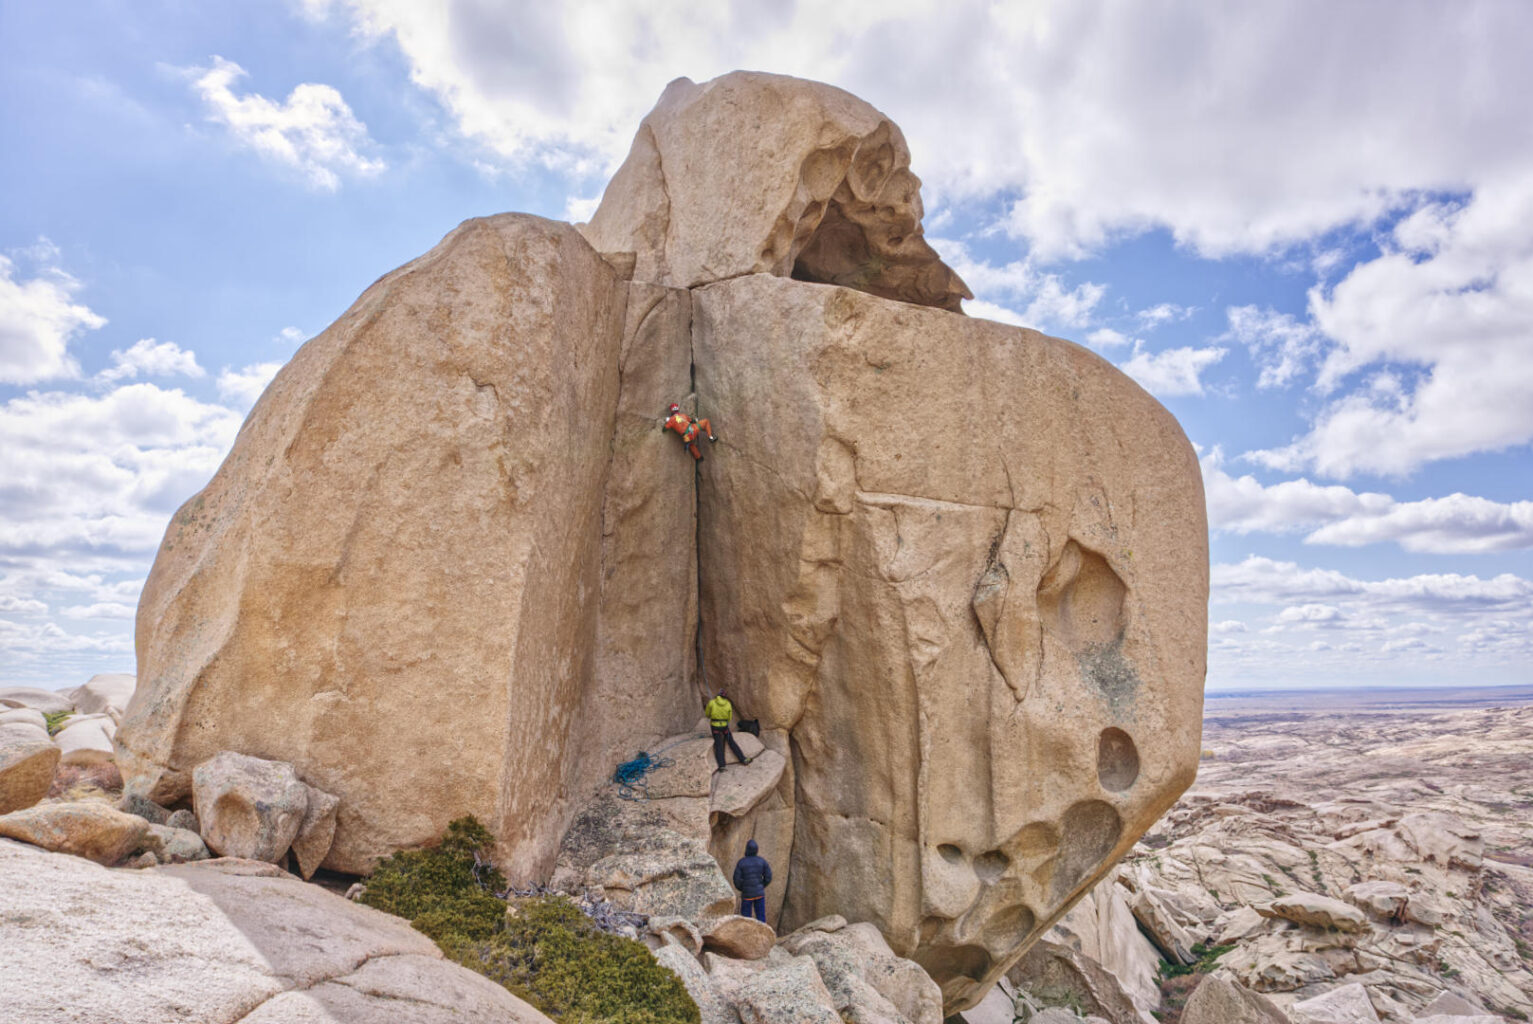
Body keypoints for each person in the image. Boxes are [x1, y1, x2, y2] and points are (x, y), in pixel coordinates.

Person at [705, 689, 750, 770]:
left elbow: (707, 714)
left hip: (715, 726)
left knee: (718, 745)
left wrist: (712, 716)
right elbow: (729, 717)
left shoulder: (712, 702)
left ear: (718, 695)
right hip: (724, 727)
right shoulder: (728, 704)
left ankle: (722, 765)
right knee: (731, 742)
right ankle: (743, 759)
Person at [732, 839, 772, 923]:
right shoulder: (762, 861)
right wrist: (761, 886)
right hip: (759, 894)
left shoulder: (741, 862)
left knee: (746, 919)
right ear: (756, 850)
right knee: (761, 917)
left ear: (746, 849)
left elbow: (736, 879)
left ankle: (747, 935)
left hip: (747, 895)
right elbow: (768, 876)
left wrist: (743, 888)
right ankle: (762, 934)